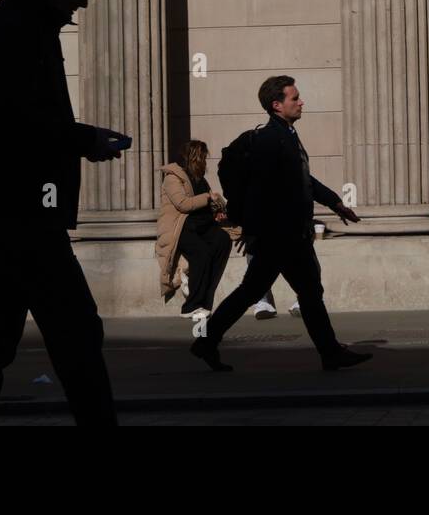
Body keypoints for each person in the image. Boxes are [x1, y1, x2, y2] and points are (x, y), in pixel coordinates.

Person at [0, 0, 129, 427]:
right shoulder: (19, 29)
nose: (84, 3)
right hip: (20, 217)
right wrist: (85, 138)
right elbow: (15, 123)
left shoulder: (22, 23)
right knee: (74, 334)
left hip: (8, 213)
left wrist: (80, 140)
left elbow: (19, 122)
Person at [190, 75, 371, 372]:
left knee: (252, 291)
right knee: (308, 291)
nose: (301, 102)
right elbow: (259, 188)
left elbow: (303, 180)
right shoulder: (270, 139)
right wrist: (252, 229)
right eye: (294, 98)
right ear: (277, 105)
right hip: (280, 235)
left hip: (282, 234)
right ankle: (330, 353)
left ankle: (206, 341)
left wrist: (335, 203)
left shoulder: (285, 134)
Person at [157, 140, 233, 320]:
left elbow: (208, 203)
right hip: (181, 226)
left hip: (203, 224)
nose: (205, 162)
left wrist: (217, 208)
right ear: (194, 157)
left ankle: (205, 301)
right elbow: (183, 204)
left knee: (223, 241)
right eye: (203, 157)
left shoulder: (200, 179)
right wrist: (208, 197)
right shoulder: (173, 177)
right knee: (202, 253)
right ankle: (191, 306)